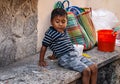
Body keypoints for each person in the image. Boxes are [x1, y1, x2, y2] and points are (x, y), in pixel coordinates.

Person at [38, 8, 98, 84]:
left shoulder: (65, 30)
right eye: (57, 21)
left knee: (94, 67)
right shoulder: (50, 33)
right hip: (65, 58)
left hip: (75, 54)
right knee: (86, 71)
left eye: (63, 21)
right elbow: (44, 46)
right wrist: (41, 60)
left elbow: (59, 44)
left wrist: (54, 55)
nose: (60, 24)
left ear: (67, 22)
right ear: (51, 22)